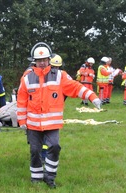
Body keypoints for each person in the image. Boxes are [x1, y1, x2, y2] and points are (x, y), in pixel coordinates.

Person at [17, 42, 101, 189]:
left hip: (52, 123)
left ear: (49, 60)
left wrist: (92, 97)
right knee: (35, 151)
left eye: (45, 60)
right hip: (33, 124)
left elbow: (75, 87)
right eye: (39, 60)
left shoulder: (59, 76)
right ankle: (36, 178)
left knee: (55, 147)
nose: (42, 63)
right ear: (34, 61)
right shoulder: (26, 78)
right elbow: (21, 100)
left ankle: (50, 177)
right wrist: (21, 120)